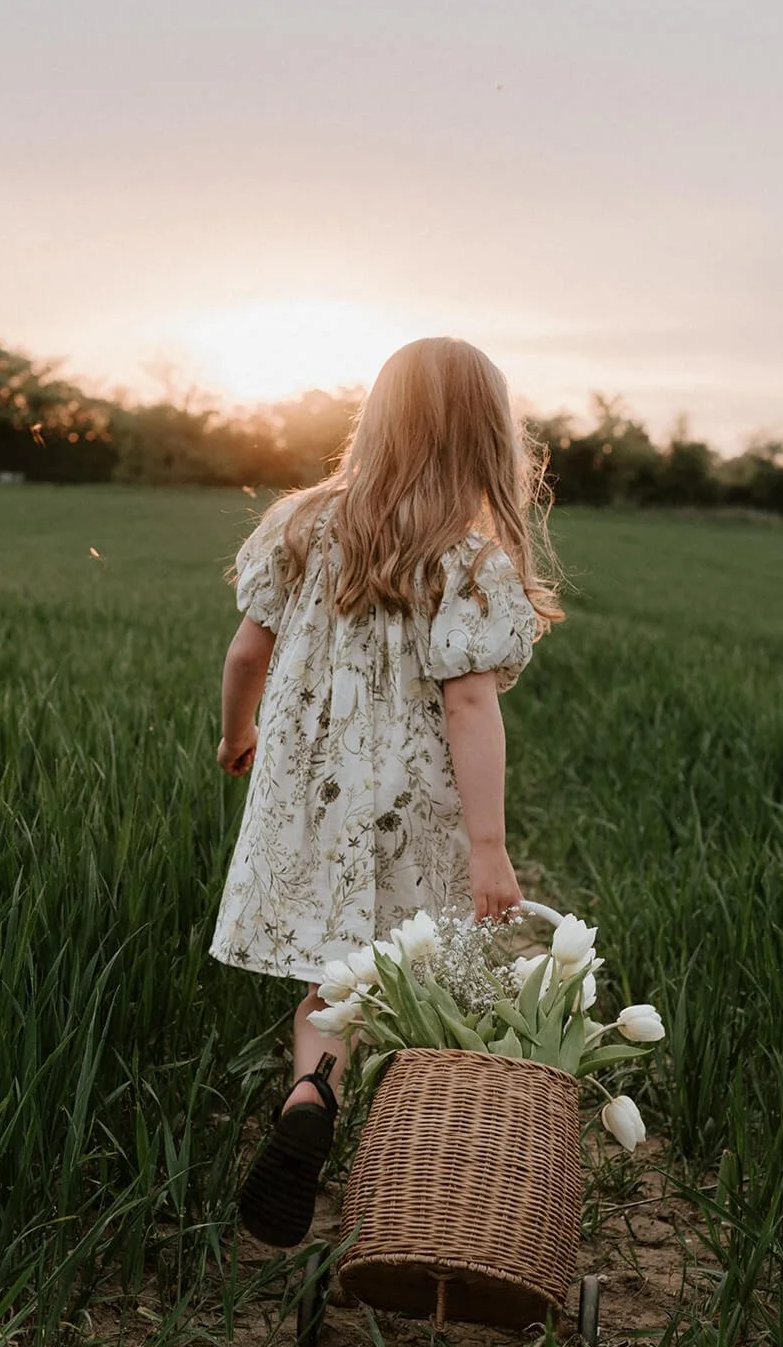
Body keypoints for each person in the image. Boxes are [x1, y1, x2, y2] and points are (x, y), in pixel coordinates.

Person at [211, 335, 563, 1246]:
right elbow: (470, 700)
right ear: (490, 438)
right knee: (419, 980)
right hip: (416, 807)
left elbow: (248, 652)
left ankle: (311, 1093)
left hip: (309, 797)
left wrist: (236, 735)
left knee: (339, 972)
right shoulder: (466, 558)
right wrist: (489, 846)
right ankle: (411, 1177)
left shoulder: (298, 525)